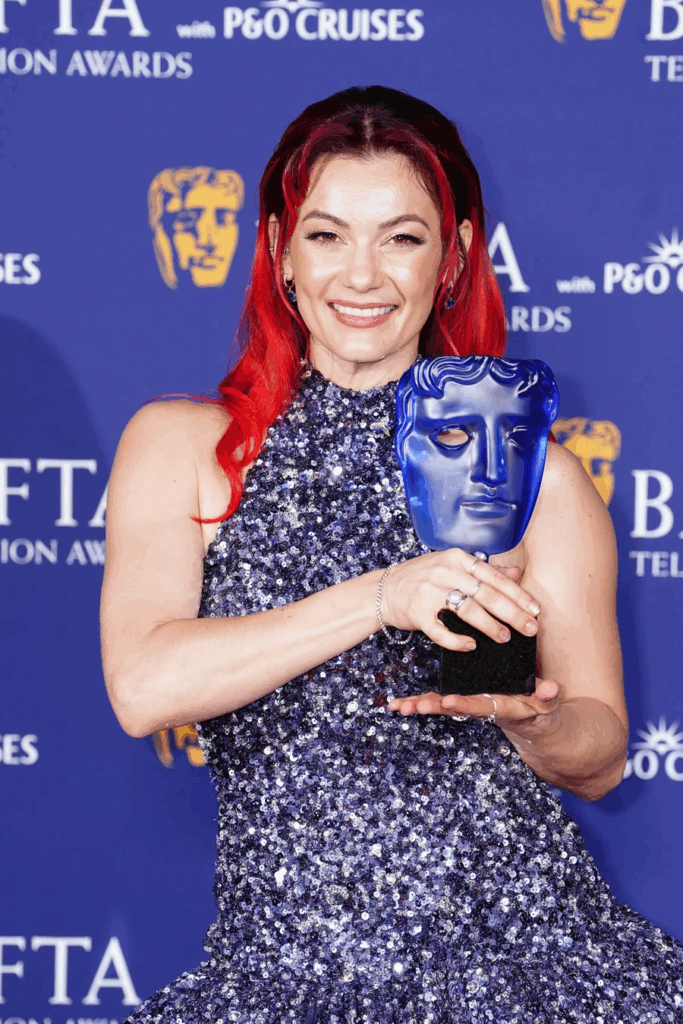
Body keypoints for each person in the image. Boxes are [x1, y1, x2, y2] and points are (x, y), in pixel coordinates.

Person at [101, 85, 683, 1023]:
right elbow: (142, 687)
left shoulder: (532, 473)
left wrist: (531, 723)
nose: (362, 275)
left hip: (528, 965)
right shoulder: (184, 448)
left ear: (452, 257)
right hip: (284, 974)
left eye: (402, 237)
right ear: (280, 250)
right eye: (327, 235)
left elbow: (601, 755)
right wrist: (383, 595)